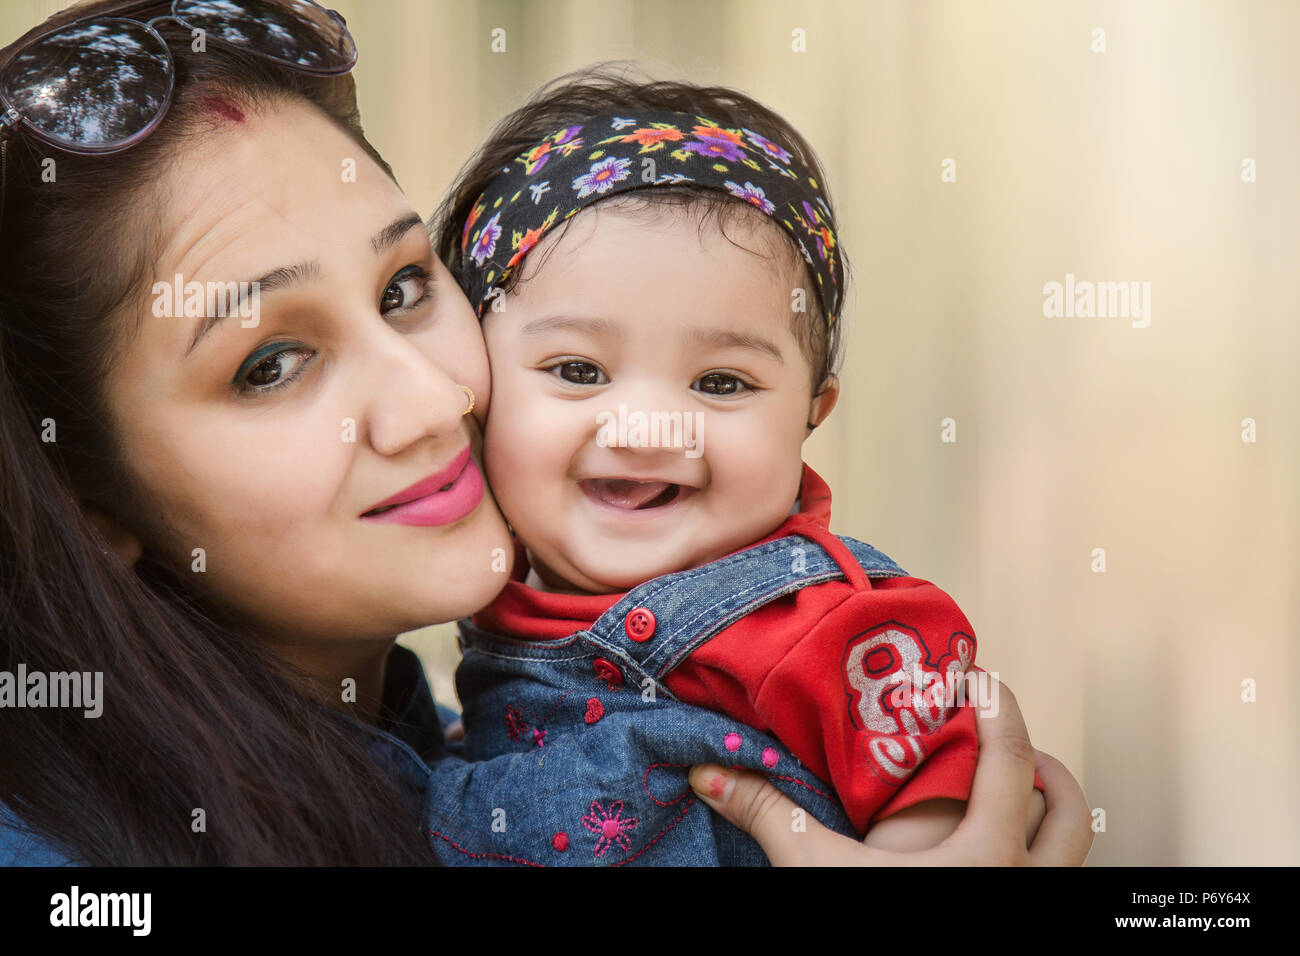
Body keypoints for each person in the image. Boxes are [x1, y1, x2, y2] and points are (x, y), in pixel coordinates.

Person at [0, 0, 1090, 866]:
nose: (434, 400)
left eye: (403, 286)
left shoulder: (427, 731)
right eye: (270, 363)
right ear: (87, 503)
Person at [429, 73, 1044, 858]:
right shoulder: (479, 606)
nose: (648, 430)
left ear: (811, 415)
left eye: (721, 383)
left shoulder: (823, 623)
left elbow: (946, 773)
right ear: (477, 387)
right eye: (578, 370)